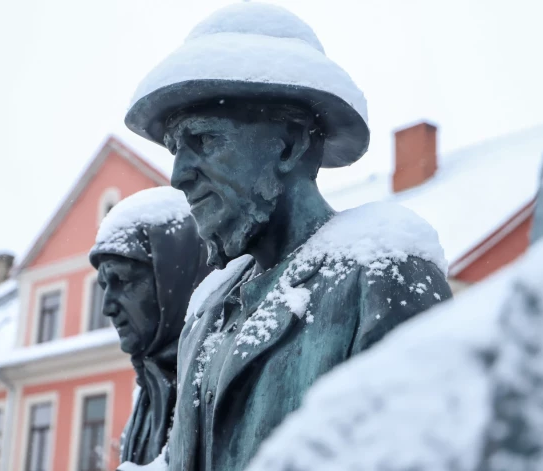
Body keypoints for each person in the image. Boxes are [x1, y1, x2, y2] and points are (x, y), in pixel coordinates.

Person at [124, 4, 453, 470]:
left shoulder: (381, 273)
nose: (177, 175)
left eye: (204, 140)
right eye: (176, 150)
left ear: (290, 144)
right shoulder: (207, 309)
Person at [89, 186, 212, 466]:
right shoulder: (148, 393)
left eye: (122, 281)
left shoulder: (218, 384)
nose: (107, 306)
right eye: (104, 287)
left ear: (174, 282)